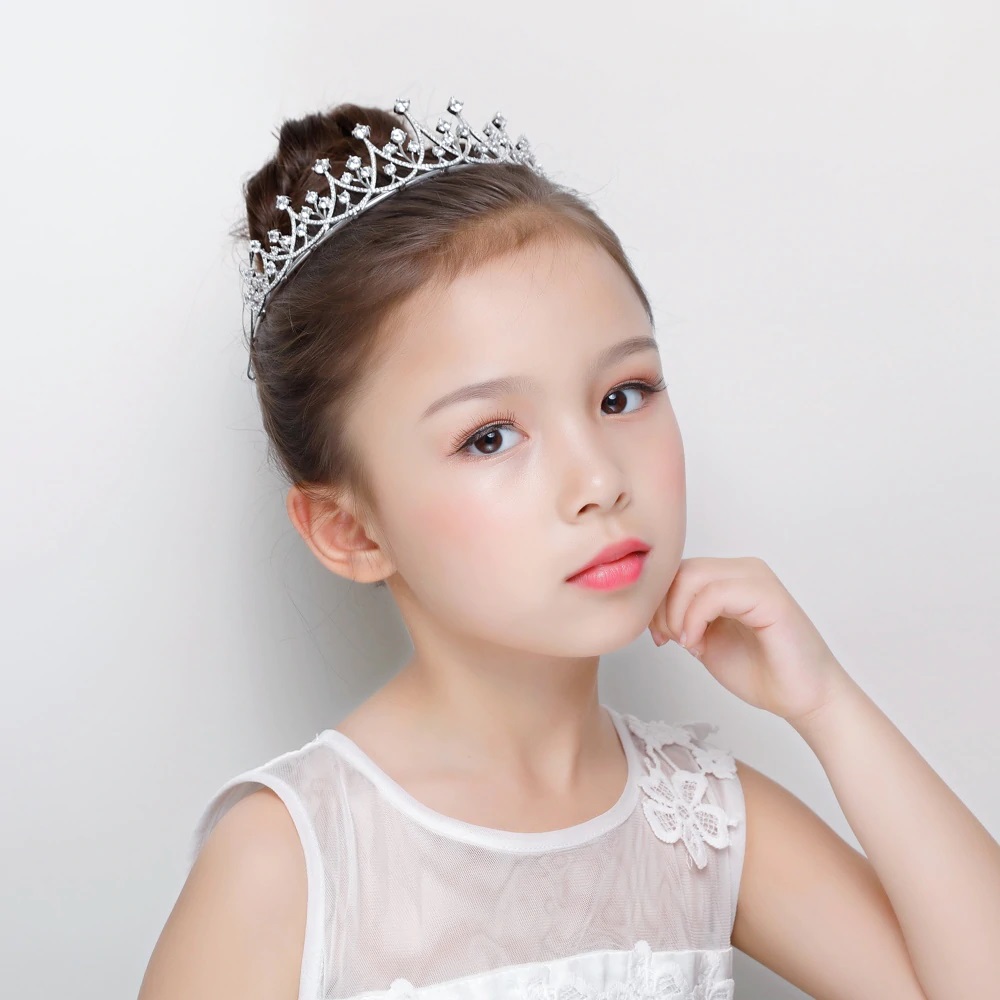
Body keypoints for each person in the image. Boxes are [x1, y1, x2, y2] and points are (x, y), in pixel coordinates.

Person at [136, 96, 1000, 1000]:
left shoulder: (697, 820)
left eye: (623, 394)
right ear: (350, 531)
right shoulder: (293, 860)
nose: (599, 478)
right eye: (490, 436)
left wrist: (826, 704)